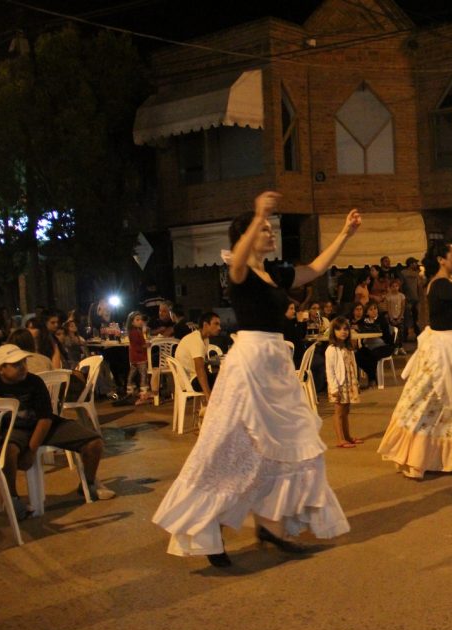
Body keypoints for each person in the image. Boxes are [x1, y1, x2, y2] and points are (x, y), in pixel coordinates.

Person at [152, 192, 356, 568]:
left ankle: (270, 526)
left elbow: (312, 269)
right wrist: (258, 212)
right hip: (249, 365)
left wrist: (344, 234)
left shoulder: (274, 273)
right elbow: (239, 262)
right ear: (244, 236)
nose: (270, 231)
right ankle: (205, 531)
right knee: (228, 450)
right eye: (263, 228)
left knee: (293, 445)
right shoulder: (239, 271)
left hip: (275, 364)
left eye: (269, 226)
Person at [377, 242, 452, 480]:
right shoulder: (439, 284)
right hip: (443, 352)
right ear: (441, 260)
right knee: (429, 404)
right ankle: (417, 456)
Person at [0, 344, 115, 521]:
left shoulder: (34, 382)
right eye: (16, 364)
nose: (23, 367)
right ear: (0, 369)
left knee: (94, 442)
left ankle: (89, 485)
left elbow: (45, 418)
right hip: (12, 429)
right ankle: (13, 499)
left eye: (23, 362)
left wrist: (31, 451)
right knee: (8, 452)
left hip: (44, 424)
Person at [325, 316, 362, 448]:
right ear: (333, 331)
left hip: (348, 383)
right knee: (339, 412)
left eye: (346, 329)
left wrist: (355, 382)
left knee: (346, 411)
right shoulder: (331, 350)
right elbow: (330, 371)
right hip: (339, 385)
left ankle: (348, 436)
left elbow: (352, 365)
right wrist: (334, 388)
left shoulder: (348, 348)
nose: (343, 331)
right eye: (339, 329)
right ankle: (340, 439)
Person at [175, 311, 222, 397]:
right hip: (190, 382)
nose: (219, 328)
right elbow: (200, 370)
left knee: (224, 377)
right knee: (227, 379)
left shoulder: (205, 339)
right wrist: (208, 396)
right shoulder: (196, 340)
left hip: (193, 378)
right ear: (205, 325)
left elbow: (203, 366)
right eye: (216, 324)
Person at [354, 301, 394, 388]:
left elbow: (377, 330)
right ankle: (372, 376)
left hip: (384, 346)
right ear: (367, 312)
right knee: (357, 355)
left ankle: (372, 379)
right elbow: (356, 325)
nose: (373, 311)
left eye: (375, 309)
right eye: (370, 309)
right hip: (370, 346)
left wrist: (363, 327)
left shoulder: (381, 319)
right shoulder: (364, 320)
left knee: (372, 355)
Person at [125, 311, 152, 404]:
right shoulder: (135, 332)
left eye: (141, 319)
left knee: (132, 373)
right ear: (132, 322)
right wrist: (146, 345)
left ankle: (130, 390)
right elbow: (139, 345)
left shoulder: (134, 331)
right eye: (137, 320)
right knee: (143, 374)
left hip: (134, 356)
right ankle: (143, 392)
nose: (140, 321)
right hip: (139, 356)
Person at [399, 257, 425, 340]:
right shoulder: (403, 273)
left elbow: (419, 285)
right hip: (407, 299)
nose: (416, 264)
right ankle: (404, 336)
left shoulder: (417, 273)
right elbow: (401, 285)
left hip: (416, 299)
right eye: (414, 263)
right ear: (410, 264)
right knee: (406, 317)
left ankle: (418, 335)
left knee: (416, 317)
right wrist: (403, 297)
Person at [384, 278, 407, 355]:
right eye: (393, 286)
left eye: (396, 286)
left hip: (400, 317)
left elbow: (403, 307)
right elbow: (388, 308)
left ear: (399, 287)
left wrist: (400, 317)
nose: (395, 288)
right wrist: (391, 318)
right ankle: (395, 347)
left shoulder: (402, 296)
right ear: (390, 287)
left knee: (401, 333)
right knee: (394, 333)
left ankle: (401, 347)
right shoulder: (388, 296)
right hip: (392, 317)